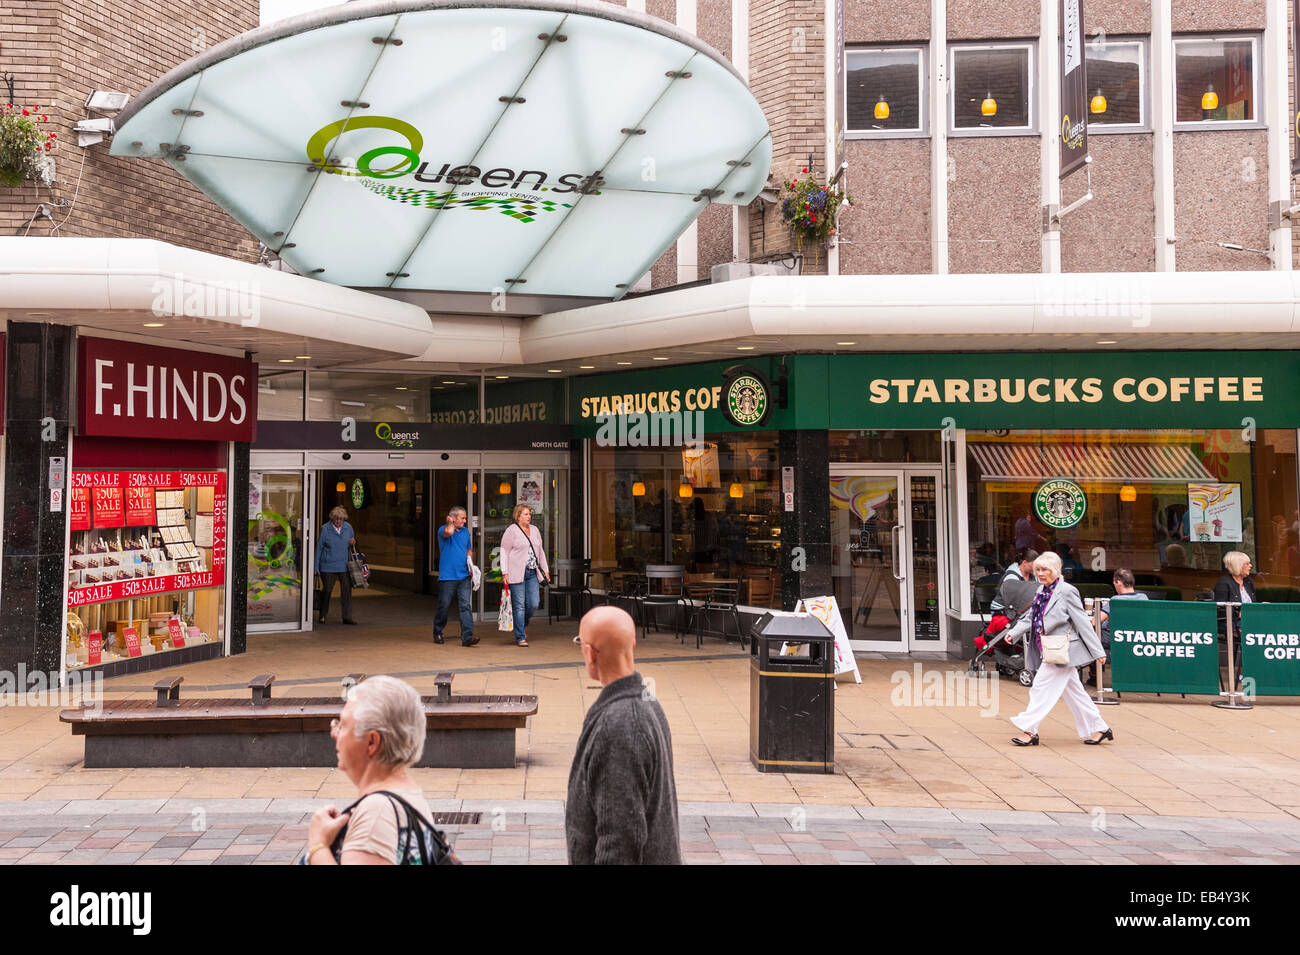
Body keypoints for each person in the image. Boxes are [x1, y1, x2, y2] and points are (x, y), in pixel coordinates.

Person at [567, 606, 681, 865]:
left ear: (589, 653)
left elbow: (620, 839)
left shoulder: (619, 723)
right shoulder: (646, 701)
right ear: (633, 644)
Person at [303, 676, 437, 864]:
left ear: (372, 742)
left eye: (343, 725)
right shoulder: (408, 795)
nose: (334, 733)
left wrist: (318, 845)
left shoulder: (377, 811)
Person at [1004, 551, 1113, 746]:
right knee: (1075, 693)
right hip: (1049, 648)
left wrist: (1098, 652)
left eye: (1044, 569)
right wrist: (1015, 632)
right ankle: (1101, 728)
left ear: (1055, 570)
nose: (1040, 574)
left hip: (1062, 651)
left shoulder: (1067, 591)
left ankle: (1029, 731)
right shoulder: (1041, 591)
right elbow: (1031, 617)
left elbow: (1082, 622)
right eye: (1038, 570)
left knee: (1039, 688)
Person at [500, 504, 550, 647]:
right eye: (526, 514)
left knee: (534, 603)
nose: (529, 517)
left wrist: (545, 570)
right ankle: (520, 636)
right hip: (516, 572)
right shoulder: (511, 531)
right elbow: (504, 552)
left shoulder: (534, 530)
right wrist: (505, 572)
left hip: (532, 572)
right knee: (519, 605)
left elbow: (540, 551)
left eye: (529, 514)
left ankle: (520, 624)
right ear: (518, 516)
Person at [1088, 568, 1148, 686]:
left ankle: (1094, 676)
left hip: (1114, 639)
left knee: (1088, 635)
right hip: (1136, 639)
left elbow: (1095, 622)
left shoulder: (1117, 600)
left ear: (1118, 582)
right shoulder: (1144, 598)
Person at [434, 506, 477, 646]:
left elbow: (469, 549)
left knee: (465, 606)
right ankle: (438, 631)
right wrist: (450, 523)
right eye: (462, 518)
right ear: (453, 518)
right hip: (448, 576)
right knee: (444, 605)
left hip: (464, 575)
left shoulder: (465, 532)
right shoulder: (443, 529)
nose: (465, 521)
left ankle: (467, 637)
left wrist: (471, 562)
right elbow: (449, 532)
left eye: (465, 518)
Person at [315, 505, 357, 625]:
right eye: (336, 519)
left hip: (344, 565)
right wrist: (315, 566)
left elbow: (352, 542)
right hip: (327, 566)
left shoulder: (348, 528)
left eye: (341, 519)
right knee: (327, 590)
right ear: (332, 518)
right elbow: (319, 548)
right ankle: (322, 615)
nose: (339, 521)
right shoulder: (325, 528)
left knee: (346, 591)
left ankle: (347, 617)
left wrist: (352, 542)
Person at [990, 548, 1037, 614]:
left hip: (1018, 610)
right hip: (1002, 612)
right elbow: (1013, 600)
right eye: (1033, 565)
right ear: (1024, 563)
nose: (1035, 568)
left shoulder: (1033, 575)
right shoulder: (1011, 577)